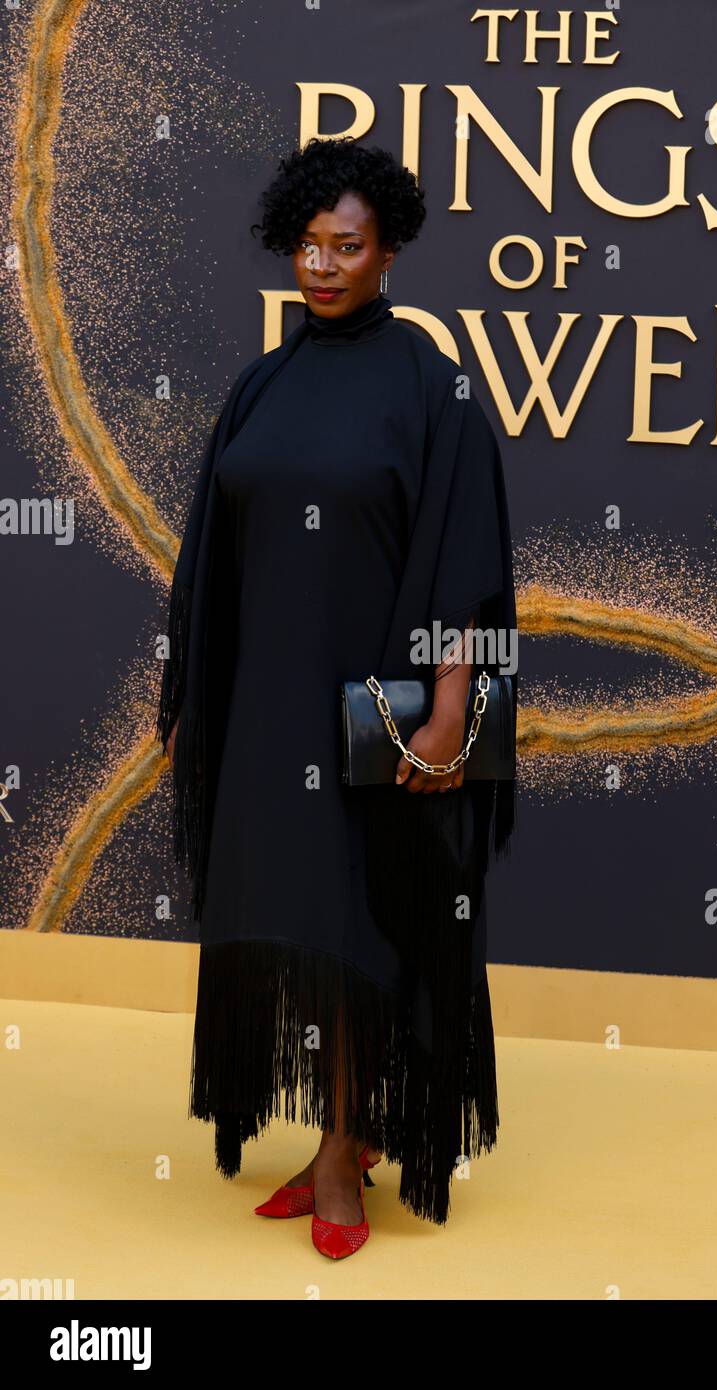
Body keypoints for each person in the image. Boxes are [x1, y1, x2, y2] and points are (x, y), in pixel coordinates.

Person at [156, 135, 518, 1260]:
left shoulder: (433, 385)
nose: (322, 267)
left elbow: (467, 551)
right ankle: (334, 1137)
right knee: (290, 917)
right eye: (308, 246)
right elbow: (214, 548)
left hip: (377, 709)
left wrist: (448, 706)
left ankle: (344, 1152)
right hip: (267, 703)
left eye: (346, 247)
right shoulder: (262, 382)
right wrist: (196, 696)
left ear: (390, 249)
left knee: (363, 919)